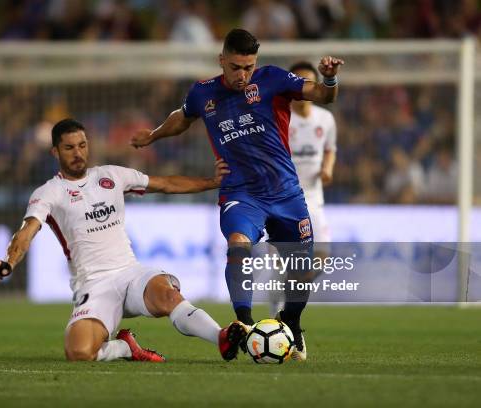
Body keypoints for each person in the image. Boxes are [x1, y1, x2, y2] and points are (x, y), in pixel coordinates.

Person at [130, 28, 344, 361]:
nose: (242, 74)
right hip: (241, 192)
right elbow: (182, 118)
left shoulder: (272, 79)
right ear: (222, 61)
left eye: (248, 66)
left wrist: (329, 80)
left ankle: (291, 321)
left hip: (285, 192)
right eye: (235, 67)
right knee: (238, 245)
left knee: (301, 265)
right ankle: (244, 323)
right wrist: (154, 136)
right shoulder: (203, 92)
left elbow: (321, 95)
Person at [0, 118, 246, 363]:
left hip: (130, 273)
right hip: (94, 283)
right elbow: (27, 230)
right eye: (69, 148)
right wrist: (9, 261)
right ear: (55, 152)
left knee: (168, 295)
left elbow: (165, 183)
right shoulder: (48, 193)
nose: (77, 153)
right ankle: (124, 347)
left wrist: (211, 182)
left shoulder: (111, 175)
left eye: (82, 145)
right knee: (79, 352)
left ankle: (220, 336)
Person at [268, 61, 338, 317]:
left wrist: (328, 168)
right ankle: (280, 307)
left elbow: (330, 149)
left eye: (307, 83)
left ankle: (287, 305)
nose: (302, 89)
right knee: (282, 261)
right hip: (284, 197)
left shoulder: (326, 119)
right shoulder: (279, 116)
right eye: (297, 83)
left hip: (313, 196)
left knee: (321, 257)